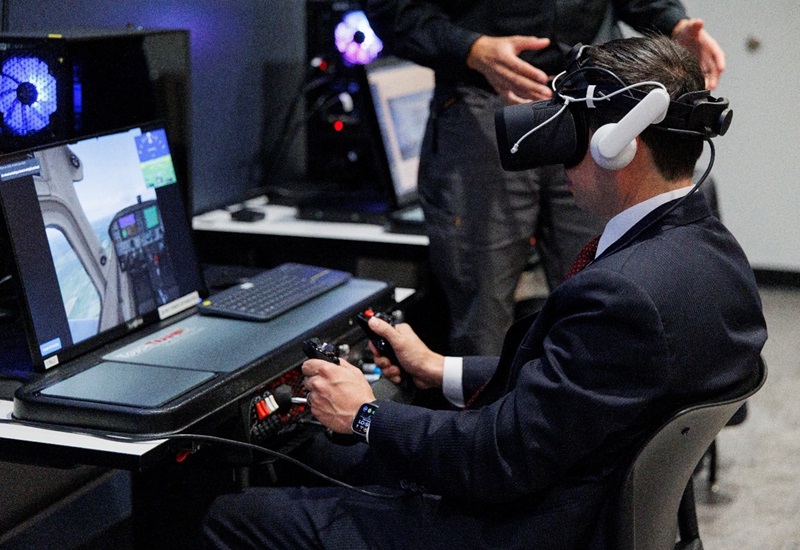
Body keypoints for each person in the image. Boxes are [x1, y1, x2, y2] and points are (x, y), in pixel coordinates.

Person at [202, 35, 766, 549]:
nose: (555, 156)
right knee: (322, 453)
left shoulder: (623, 294)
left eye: (571, 134)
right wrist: (439, 368)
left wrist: (367, 415)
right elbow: (580, 389)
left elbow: (498, 458)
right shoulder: (715, 256)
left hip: (524, 526)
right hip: (584, 501)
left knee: (236, 515)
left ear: (621, 146)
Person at [364, 0, 727, 355]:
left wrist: (673, 21)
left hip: (596, 104)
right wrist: (469, 48)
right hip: (482, 99)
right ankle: (486, 411)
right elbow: (392, 9)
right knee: (481, 312)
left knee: (610, 294)